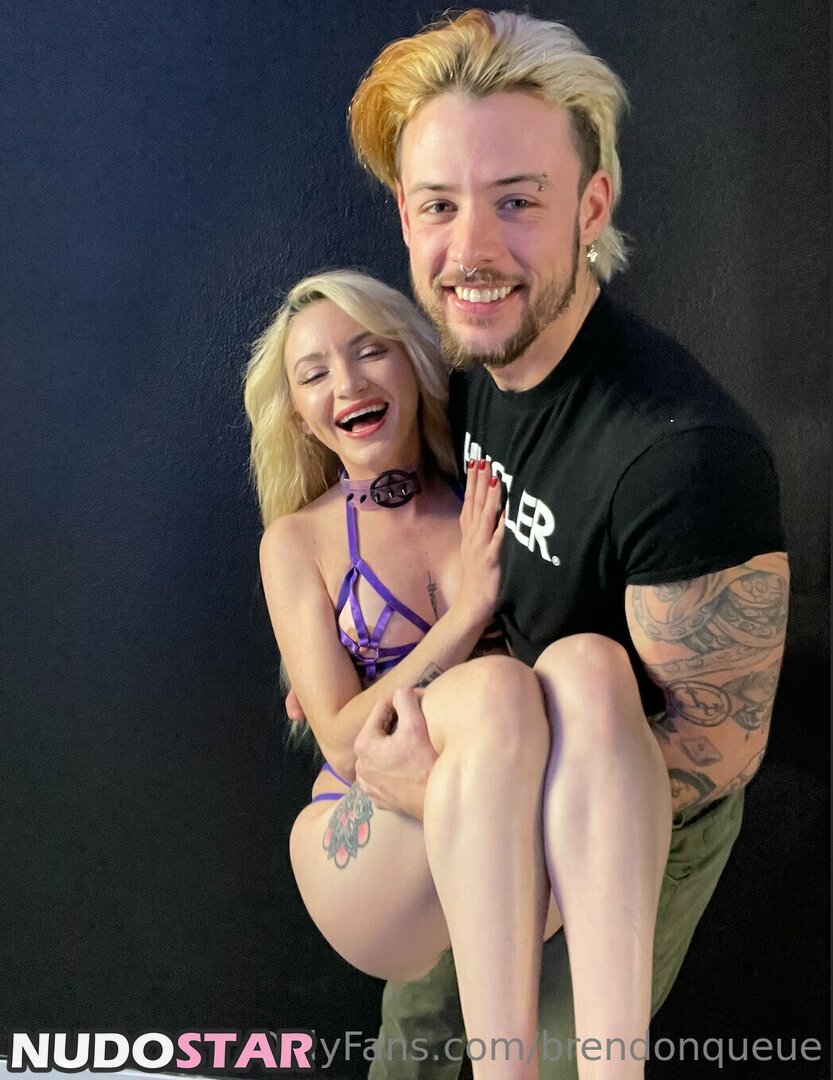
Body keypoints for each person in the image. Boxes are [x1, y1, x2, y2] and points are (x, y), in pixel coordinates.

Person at [327, 9, 789, 1080]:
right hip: (488, 756)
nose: (471, 252)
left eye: (517, 202)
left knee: (551, 1058)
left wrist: (462, 805)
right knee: (415, 1044)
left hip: (627, 816)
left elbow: (716, 752)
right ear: (405, 215)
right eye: (439, 205)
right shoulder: (466, 366)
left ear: (590, 206)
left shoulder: (685, 457)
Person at [245, 268, 611, 1080]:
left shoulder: (489, 496)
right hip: (364, 840)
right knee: (495, 685)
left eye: (369, 351)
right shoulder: (296, 543)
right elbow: (343, 741)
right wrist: (464, 616)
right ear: (299, 413)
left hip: (504, 832)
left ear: (413, 361)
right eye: (314, 373)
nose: (347, 383)